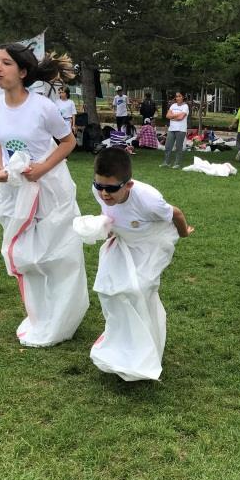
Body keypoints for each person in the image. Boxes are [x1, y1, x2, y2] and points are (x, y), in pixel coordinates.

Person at [0, 42, 89, 347]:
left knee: (55, 252)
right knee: (27, 254)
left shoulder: (43, 107)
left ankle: (63, 316)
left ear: (23, 71)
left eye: (5, 63)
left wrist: (41, 169)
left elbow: (68, 142)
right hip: (15, 192)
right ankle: (40, 313)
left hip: (50, 189)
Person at [88, 147, 194, 380]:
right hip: (123, 241)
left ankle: (146, 350)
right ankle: (120, 343)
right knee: (109, 290)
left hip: (152, 243)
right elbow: (109, 211)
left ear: (128, 184)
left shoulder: (148, 199)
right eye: (99, 186)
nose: (104, 193)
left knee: (139, 290)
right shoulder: (100, 191)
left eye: (111, 188)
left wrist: (184, 233)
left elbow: (176, 213)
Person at [161, 91, 189, 168]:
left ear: (183, 97)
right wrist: (177, 115)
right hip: (171, 129)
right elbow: (167, 115)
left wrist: (173, 116)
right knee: (168, 146)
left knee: (178, 147)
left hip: (181, 129)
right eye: (176, 96)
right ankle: (166, 162)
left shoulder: (185, 106)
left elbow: (181, 118)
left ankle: (177, 163)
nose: (178, 98)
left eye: (179, 96)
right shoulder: (173, 105)